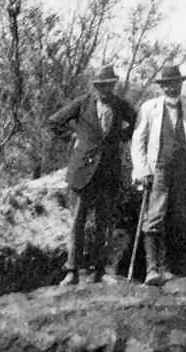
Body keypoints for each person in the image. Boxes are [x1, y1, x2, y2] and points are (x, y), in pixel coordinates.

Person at [48, 64, 136, 285]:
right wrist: (73, 137)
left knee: (103, 222)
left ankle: (100, 270)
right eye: (100, 85)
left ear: (113, 85)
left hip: (108, 172)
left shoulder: (119, 105)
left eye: (109, 85)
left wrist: (121, 138)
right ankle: (72, 271)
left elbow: (137, 122)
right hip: (82, 171)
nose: (105, 89)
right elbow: (54, 122)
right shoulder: (82, 103)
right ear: (95, 86)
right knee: (78, 220)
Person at [130, 65, 186, 286]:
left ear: (181, 84)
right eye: (167, 84)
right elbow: (138, 141)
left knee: (176, 218)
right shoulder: (150, 108)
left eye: (175, 83)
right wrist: (142, 170)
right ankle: (152, 269)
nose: (172, 88)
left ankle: (168, 268)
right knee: (154, 218)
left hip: (182, 170)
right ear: (161, 87)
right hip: (158, 169)